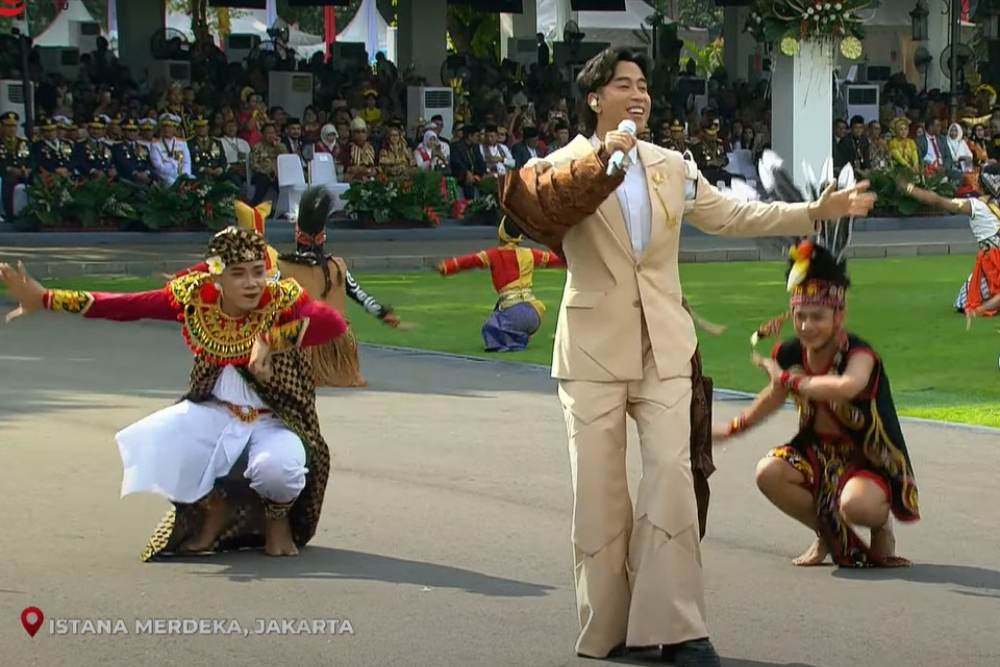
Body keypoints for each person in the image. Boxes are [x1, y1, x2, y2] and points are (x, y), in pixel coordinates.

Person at [497, 46, 876, 664]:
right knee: (598, 491)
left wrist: (814, 210)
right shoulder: (556, 167)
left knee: (672, 476)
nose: (638, 95)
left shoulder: (673, 165)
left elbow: (733, 216)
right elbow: (532, 219)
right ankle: (609, 629)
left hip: (666, 347)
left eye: (644, 84)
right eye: (623, 85)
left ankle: (676, 628)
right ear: (595, 98)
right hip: (592, 348)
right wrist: (602, 159)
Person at [0, 227, 349, 560]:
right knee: (155, 441)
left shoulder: (281, 300)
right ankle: (214, 508)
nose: (251, 283)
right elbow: (125, 306)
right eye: (239, 273)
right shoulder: (195, 300)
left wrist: (271, 340)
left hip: (276, 421)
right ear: (216, 277)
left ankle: (277, 523)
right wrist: (46, 298)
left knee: (279, 471)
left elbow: (333, 323)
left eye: (258, 272)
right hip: (216, 413)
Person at [715, 240, 919, 567]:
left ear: (839, 314)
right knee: (768, 472)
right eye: (800, 317)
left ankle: (881, 525)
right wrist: (733, 427)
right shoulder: (789, 353)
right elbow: (773, 397)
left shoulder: (859, 354)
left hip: (865, 457)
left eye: (817, 316)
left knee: (857, 506)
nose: (807, 326)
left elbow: (845, 386)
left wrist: (789, 380)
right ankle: (828, 533)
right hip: (814, 452)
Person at [438, 219, 564, 352]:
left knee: (490, 328)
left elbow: (470, 261)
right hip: (535, 314)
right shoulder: (530, 253)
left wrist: (447, 267)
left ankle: (517, 339)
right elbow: (556, 260)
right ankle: (520, 334)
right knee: (499, 314)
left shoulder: (494, 255)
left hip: (514, 312)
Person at [897, 168, 1000, 317]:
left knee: (962, 303)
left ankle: (983, 308)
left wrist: (909, 188)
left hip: (991, 261)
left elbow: (938, 200)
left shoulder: (975, 206)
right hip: (992, 258)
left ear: (981, 184)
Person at [0, 111, 31, 216]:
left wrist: (28, 169)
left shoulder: (23, 142)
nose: (12, 129)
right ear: (2, 126)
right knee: (8, 181)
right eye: (8, 126)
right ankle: (9, 213)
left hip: (23, 173)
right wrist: (10, 169)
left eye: (14, 126)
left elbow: (31, 159)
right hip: (5, 174)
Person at [150, 113, 192, 186]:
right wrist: (175, 172)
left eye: (170, 126)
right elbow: (158, 166)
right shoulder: (155, 145)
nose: (166, 129)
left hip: (182, 175)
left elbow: (187, 162)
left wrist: (185, 175)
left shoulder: (182, 143)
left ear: (175, 128)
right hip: (165, 177)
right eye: (164, 126)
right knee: (172, 183)